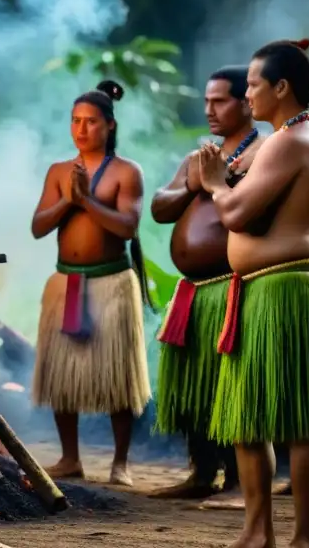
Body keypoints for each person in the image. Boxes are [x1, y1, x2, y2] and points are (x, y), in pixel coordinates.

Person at [199, 40, 309, 548]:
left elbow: (234, 214)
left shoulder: (290, 142)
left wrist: (212, 182)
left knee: (293, 423)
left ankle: (303, 538)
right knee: (250, 419)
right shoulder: (299, 137)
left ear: (281, 87)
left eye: (252, 85)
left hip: (281, 291)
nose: (247, 95)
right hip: (268, 289)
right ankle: (262, 533)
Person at [30, 79, 151, 486]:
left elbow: (128, 227)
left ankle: (121, 463)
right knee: (63, 376)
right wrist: (68, 200)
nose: (82, 130)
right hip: (67, 283)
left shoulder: (126, 172)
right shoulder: (59, 172)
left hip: (111, 282)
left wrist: (87, 202)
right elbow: (37, 227)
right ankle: (70, 458)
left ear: (109, 126)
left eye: (92, 122)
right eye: (76, 121)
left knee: (118, 376)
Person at [150, 66, 263, 501]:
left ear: (247, 102)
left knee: (230, 386)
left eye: (219, 101)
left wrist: (223, 182)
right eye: (206, 101)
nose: (209, 110)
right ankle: (201, 473)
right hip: (194, 292)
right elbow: (161, 207)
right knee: (194, 387)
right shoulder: (198, 157)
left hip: (236, 286)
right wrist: (191, 186)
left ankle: (238, 479)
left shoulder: (264, 153)